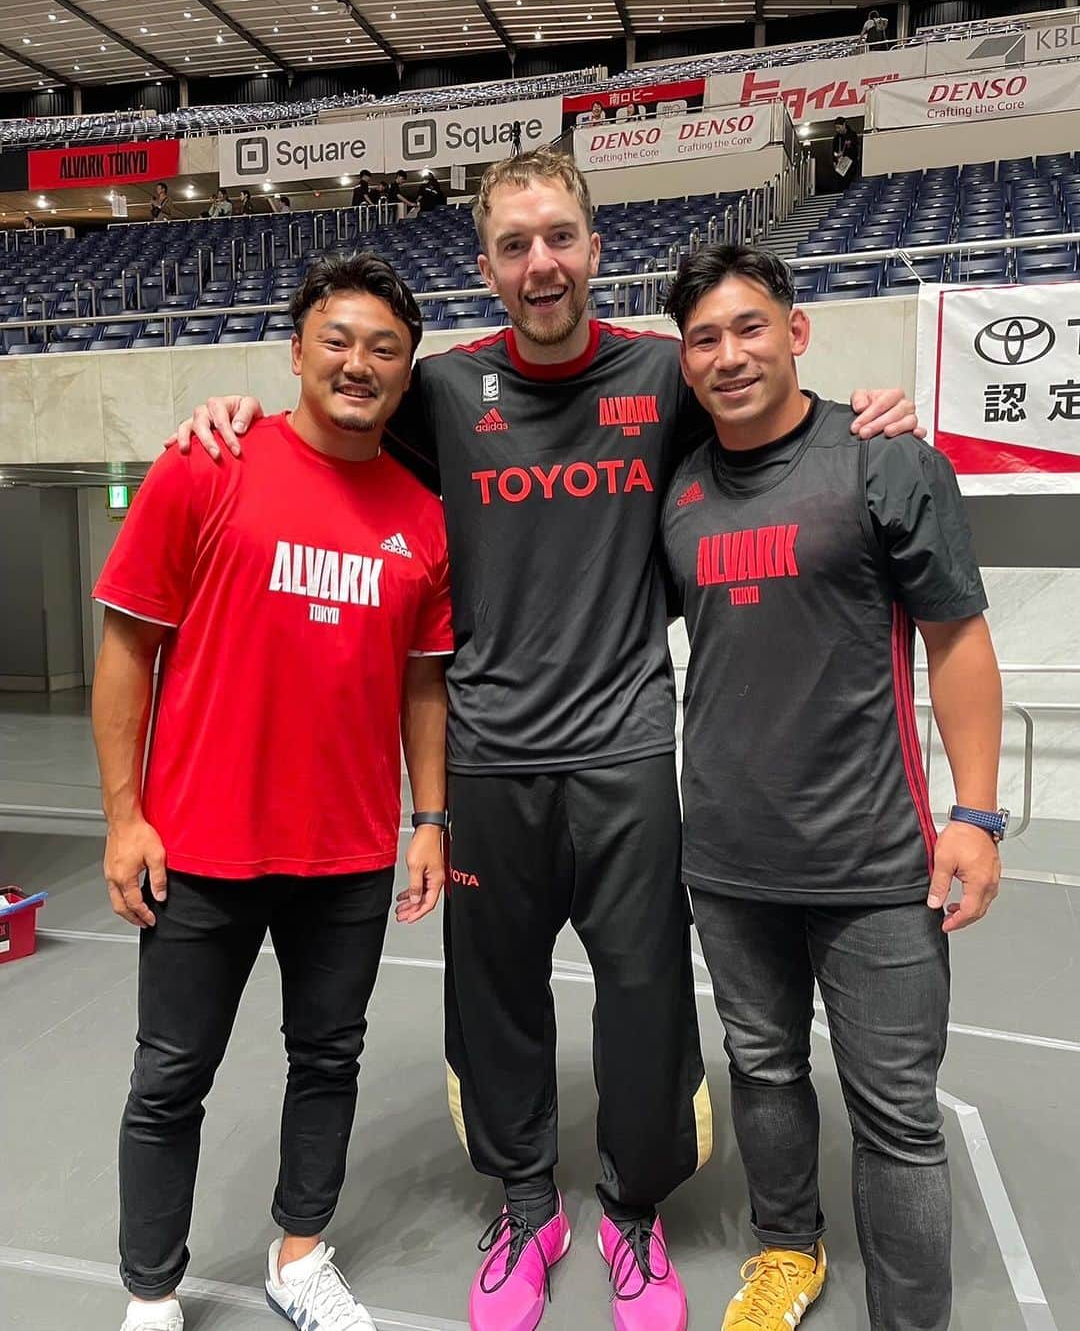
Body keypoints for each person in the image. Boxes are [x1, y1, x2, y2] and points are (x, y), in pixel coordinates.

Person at [172, 149, 919, 1331]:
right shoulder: (443, 392)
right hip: (485, 759)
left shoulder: (666, 378)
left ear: (594, 244)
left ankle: (630, 1213)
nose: (540, 263)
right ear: (485, 266)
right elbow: (331, 419)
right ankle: (528, 1207)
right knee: (498, 1005)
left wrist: (870, 412)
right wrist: (234, 417)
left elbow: (771, 404)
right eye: (515, 244)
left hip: (625, 752)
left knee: (644, 1002)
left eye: (559, 236)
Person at [93, 252, 453, 1331]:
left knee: (326, 1061)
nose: (358, 364)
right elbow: (126, 646)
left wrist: (428, 817)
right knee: (169, 1082)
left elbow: (424, 686)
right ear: (296, 353)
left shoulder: (422, 520)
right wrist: (123, 817)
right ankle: (150, 1294)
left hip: (345, 854)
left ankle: (300, 1258)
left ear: (406, 373)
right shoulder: (207, 466)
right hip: (197, 847)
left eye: (384, 350)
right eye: (337, 341)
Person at [661, 245, 1003, 1331]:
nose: (730, 353)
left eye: (750, 327)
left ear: (797, 332)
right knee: (760, 1072)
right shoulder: (676, 495)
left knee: (895, 1113)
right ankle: (786, 1250)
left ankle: (911, 1318)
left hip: (874, 861)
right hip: (725, 859)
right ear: (684, 360)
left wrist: (977, 814)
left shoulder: (885, 459)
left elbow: (956, 637)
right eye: (705, 338)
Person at [832, 117, 860, 183]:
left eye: (839, 127)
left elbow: (856, 149)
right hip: (840, 166)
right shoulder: (836, 138)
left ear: (844, 125)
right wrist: (834, 160)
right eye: (836, 128)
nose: (837, 130)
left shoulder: (852, 135)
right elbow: (833, 151)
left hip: (851, 165)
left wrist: (845, 154)